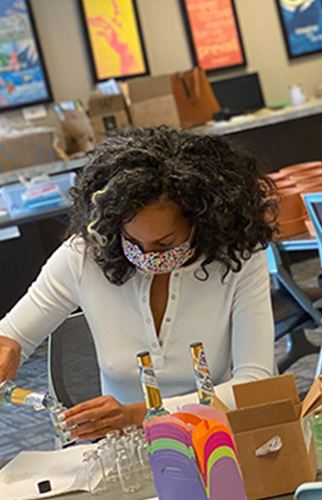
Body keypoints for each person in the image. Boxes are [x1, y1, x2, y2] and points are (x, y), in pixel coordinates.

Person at [0, 127, 277, 441]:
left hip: (217, 441)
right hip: (124, 452)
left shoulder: (237, 259)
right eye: (132, 240)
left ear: (203, 222)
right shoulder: (84, 256)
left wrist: (141, 415)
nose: (147, 256)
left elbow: (255, 385)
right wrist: (8, 347)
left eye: (163, 244)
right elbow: (11, 337)